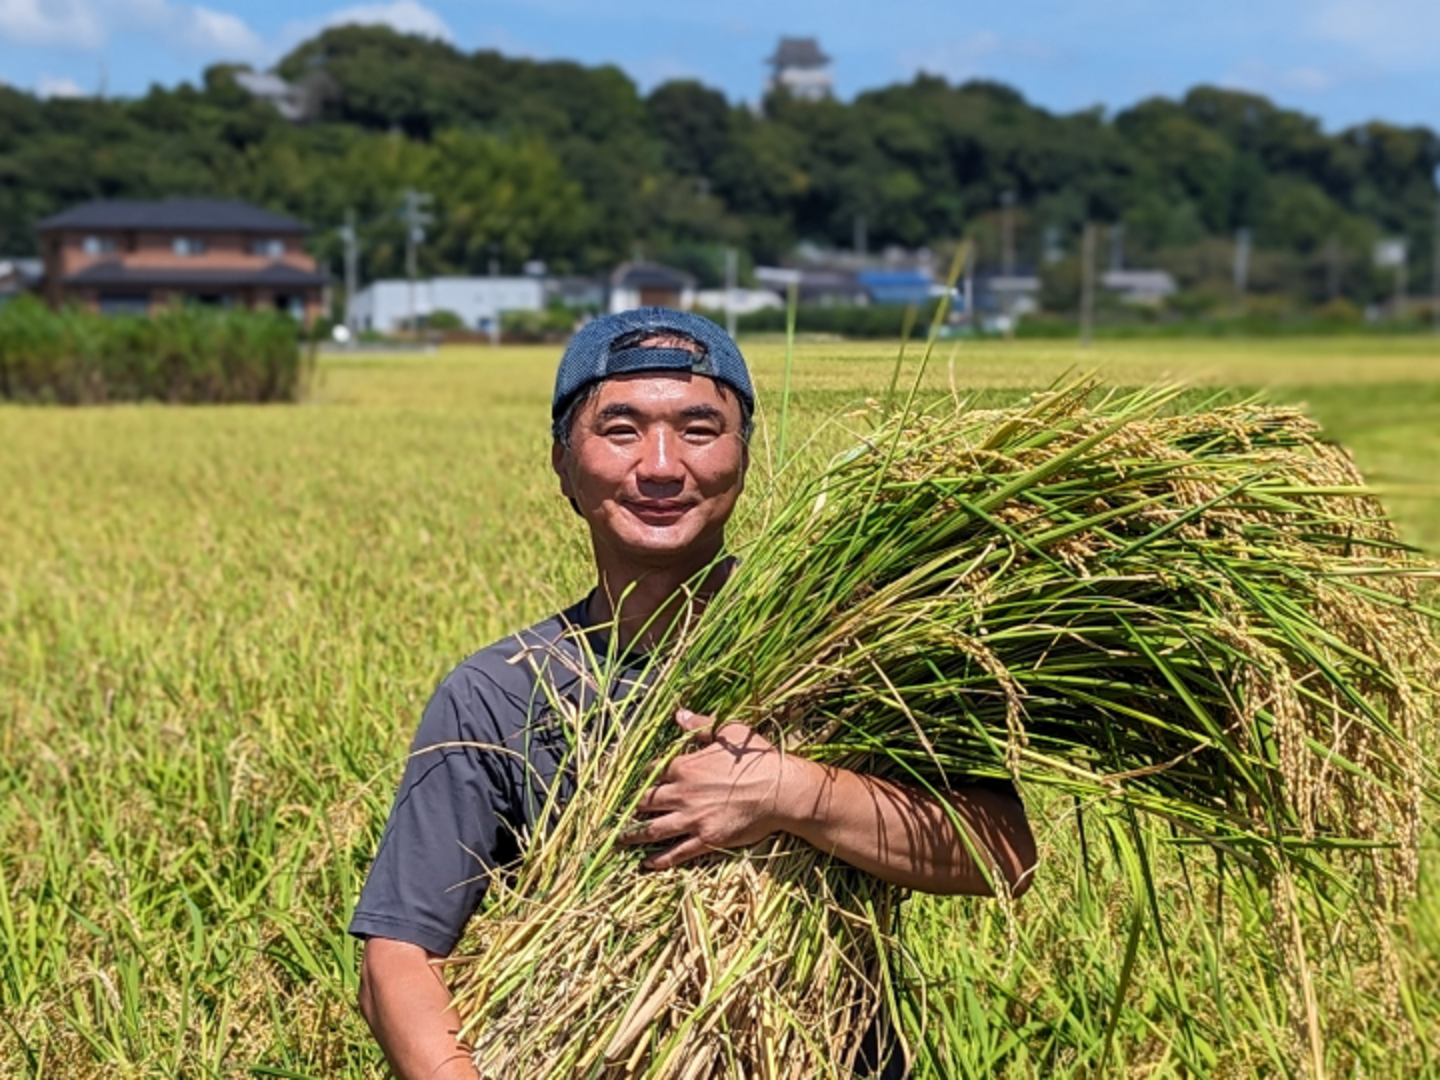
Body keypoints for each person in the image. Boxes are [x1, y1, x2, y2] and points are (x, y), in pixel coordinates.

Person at [349, 307, 1037, 1079]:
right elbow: (397, 957)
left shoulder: (843, 648)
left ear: (743, 453)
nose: (661, 465)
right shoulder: (499, 692)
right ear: (562, 463)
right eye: (620, 430)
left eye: (700, 429)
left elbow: (1002, 853)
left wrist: (794, 794)